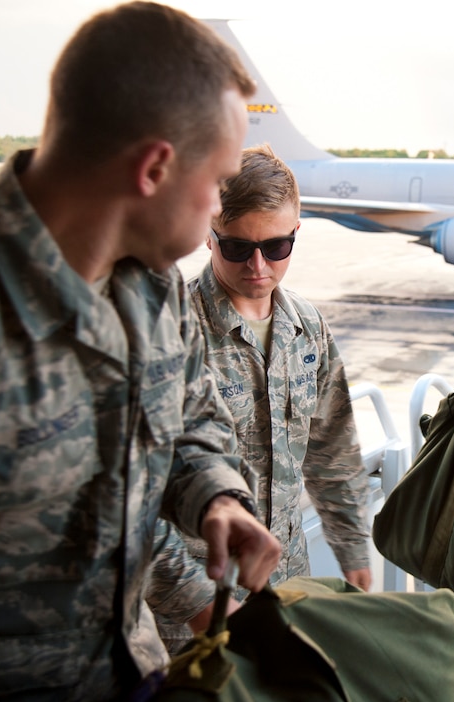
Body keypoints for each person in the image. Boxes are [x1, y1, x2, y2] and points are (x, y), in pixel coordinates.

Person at [0, 4, 282, 702]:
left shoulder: (155, 287)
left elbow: (190, 419)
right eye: (216, 183)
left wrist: (215, 495)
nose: (220, 208)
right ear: (152, 169)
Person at [154, 145, 373, 650]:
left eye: (276, 247)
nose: (257, 265)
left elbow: (332, 449)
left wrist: (354, 552)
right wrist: (196, 601)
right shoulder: (174, 328)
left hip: (284, 588)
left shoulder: (307, 328)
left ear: (296, 233)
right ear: (209, 233)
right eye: (236, 248)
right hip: (190, 609)